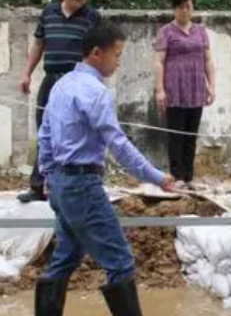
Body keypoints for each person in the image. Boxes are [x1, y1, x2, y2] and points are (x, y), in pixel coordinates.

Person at [35, 22, 175, 316]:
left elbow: (45, 137)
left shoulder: (61, 85)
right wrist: (156, 176)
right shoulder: (96, 92)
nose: (119, 61)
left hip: (61, 185)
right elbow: (118, 144)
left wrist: (49, 177)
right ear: (97, 53)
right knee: (120, 262)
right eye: (117, 54)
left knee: (65, 257)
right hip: (82, 187)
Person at [18, 0, 102, 203]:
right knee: (45, 132)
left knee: (76, 134)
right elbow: (38, 45)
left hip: (77, 85)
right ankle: (38, 186)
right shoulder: (49, 12)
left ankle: (72, 187)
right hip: (51, 81)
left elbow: (98, 52)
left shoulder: (92, 17)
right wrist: (26, 73)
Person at [154, 0, 215, 184]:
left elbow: (208, 60)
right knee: (176, 135)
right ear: (175, 9)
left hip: (196, 89)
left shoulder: (201, 31)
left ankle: (188, 176)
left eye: (188, 6)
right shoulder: (166, 32)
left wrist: (211, 85)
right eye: (181, 7)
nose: (185, 10)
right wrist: (160, 90)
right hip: (175, 89)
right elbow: (159, 62)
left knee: (191, 134)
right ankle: (176, 176)